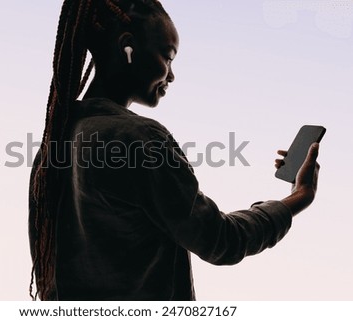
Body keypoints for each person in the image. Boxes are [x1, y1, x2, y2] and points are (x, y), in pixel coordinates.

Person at [28, 0, 320, 301]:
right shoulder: (139, 138)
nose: (171, 75)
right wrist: (299, 197)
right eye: (168, 57)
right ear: (128, 48)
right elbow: (221, 240)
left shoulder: (55, 141)